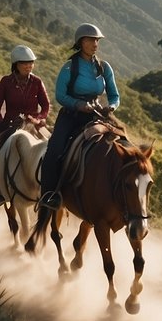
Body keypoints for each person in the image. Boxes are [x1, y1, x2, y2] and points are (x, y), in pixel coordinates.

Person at [35, 24, 120, 216]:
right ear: (80, 42)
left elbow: (114, 95)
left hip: (97, 114)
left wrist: (112, 107)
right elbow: (60, 95)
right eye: (90, 40)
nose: (95, 44)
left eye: (97, 40)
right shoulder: (69, 67)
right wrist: (77, 104)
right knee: (54, 151)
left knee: (122, 143)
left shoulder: (104, 67)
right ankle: (49, 195)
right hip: (71, 116)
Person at [0, 45, 51, 208]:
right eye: (25, 63)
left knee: (54, 147)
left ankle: (52, 190)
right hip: (11, 125)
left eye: (31, 63)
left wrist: (39, 118)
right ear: (16, 64)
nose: (29, 66)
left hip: (34, 126)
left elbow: (46, 106)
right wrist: (1, 125)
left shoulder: (37, 82)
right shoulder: (6, 82)